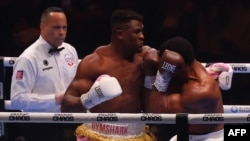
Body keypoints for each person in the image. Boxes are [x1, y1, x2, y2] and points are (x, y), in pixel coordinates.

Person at [61, 9, 157, 141]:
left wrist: (152, 71)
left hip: (135, 134)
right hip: (97, 135)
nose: (142, 36)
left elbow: (155, 106)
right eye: (137, 32)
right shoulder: (94, 63)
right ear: (120, 33)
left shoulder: (145, 59)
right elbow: (66, 105)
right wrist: (90, 98)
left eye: (142, 31)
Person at [10, 7, 79, 141]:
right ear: (42, 27)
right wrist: (55, 99)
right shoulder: (28, 58)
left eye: (64, 27)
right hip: (40, 124)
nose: (61, 32)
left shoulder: (70, 51)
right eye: (56, 27)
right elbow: (18, 100)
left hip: (70, 121)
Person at [143, 36, 224, 141]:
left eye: (164, 64)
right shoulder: (191, 69)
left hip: (210, 138)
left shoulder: (199, 91)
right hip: (188, 135)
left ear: (177, 64)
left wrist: (154, 75)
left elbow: (155, 113)